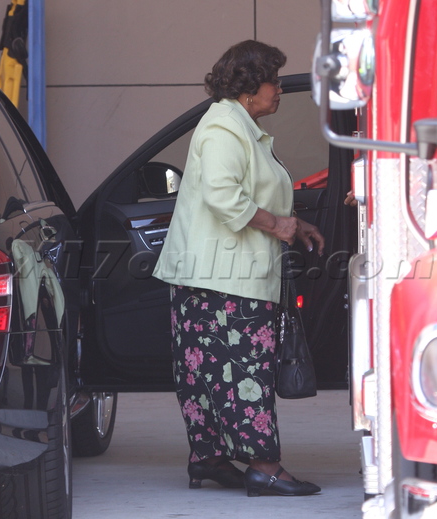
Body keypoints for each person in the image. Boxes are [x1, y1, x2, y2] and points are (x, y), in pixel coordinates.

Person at [153, 40, 324, 497]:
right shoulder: (224, 127)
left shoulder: (241, 126)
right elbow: (224, 196)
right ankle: (264, 468)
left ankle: (209, 459)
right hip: (223, 280)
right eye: (274, 81)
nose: (279, 89)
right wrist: (278, 225)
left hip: (217, 277)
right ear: (249, 86)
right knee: (245, 374)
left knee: (209, 374)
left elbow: (255, 192)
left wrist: (295, 224)